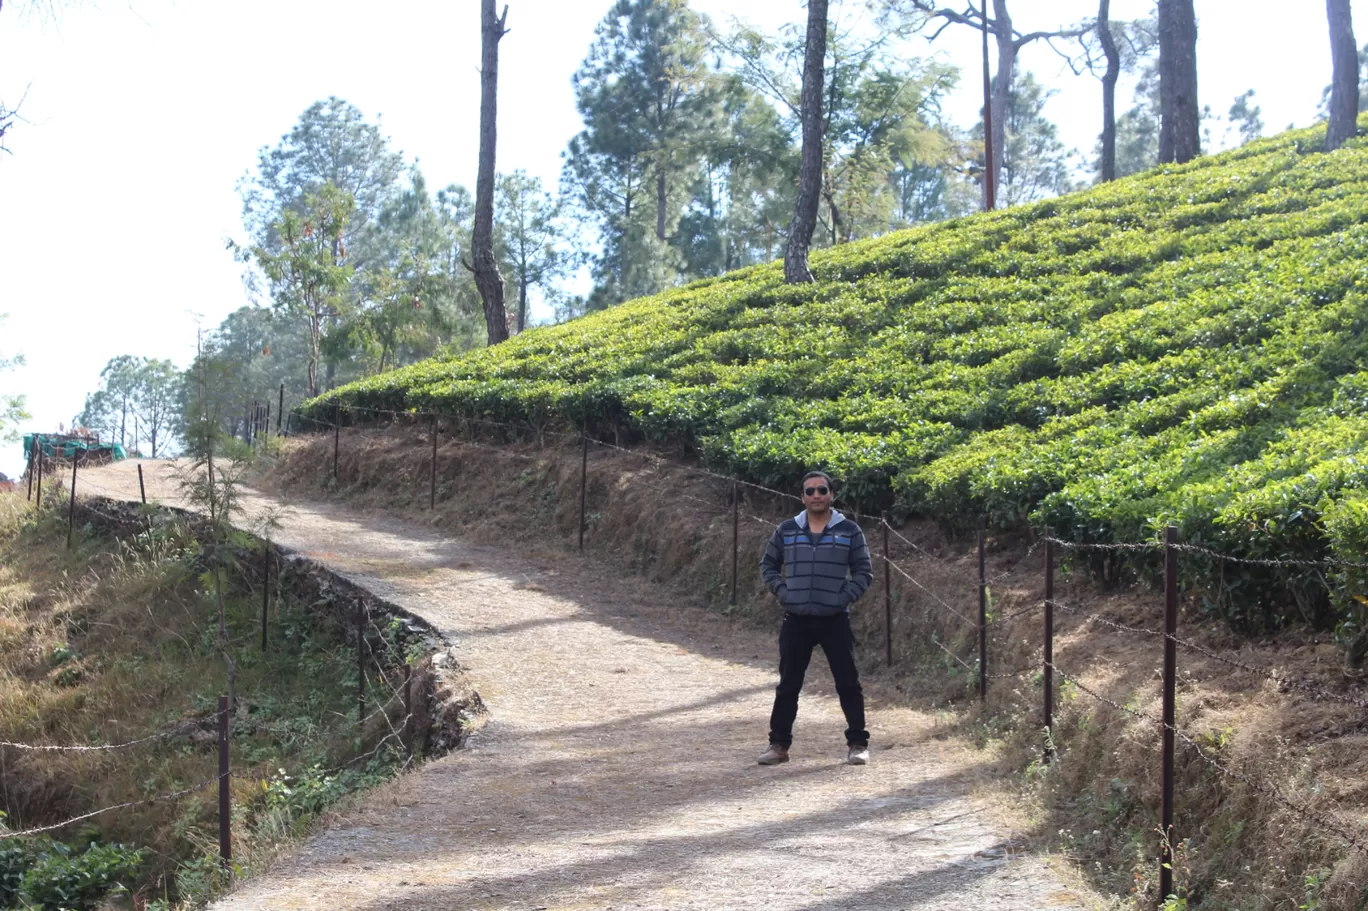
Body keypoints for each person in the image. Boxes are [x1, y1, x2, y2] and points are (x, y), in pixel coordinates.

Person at [757, 470, 873, 766]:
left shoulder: (850, 530)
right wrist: (783, 592)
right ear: (802, 497)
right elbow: (768, 564)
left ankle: (858, 744)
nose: (816, 495)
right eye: (810, 491)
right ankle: (778, 746)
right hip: (796, 619)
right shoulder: (786, 530)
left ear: (831, 495)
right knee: (788, 685)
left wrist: (843, 597)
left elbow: (863, 571)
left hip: (835, 619)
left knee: (848, 683)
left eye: (822, 490)